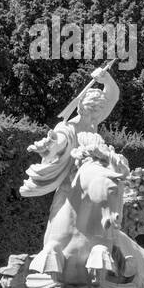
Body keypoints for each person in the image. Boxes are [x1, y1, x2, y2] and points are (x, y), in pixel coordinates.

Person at [21, 67, 119, 197]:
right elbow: (60, 141)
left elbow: (113, 96)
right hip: (69, 185)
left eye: (99, 112)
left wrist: (106, 79)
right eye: (93, 112)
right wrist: (51, 143)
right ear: (83, 109)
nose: (97, 117)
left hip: (88, 182)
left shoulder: (93, 120)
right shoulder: (68, 128)